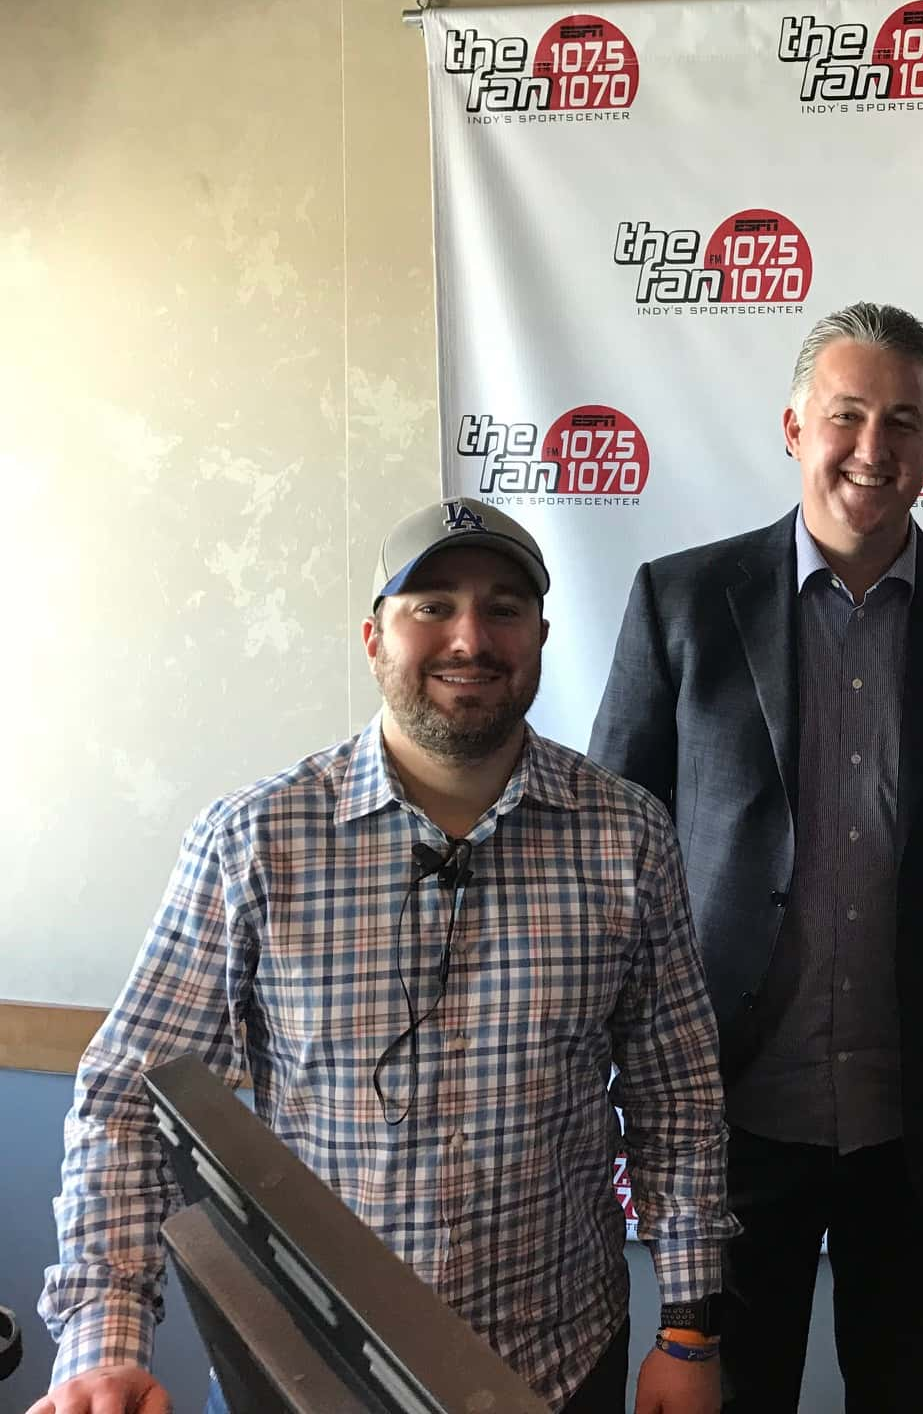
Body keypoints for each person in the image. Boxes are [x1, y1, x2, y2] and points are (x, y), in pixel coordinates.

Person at [36, 498, 733, 1414]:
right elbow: (130, 1099)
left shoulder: (628, 836)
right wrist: (103, 1339)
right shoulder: (256, 839)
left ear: (542, 635)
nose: (469, 638)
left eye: (503, 609)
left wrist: (687, 1327)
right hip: (308, 1367)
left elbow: (674, 1096)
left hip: (556, 1364)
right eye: (432, 606)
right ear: (374, 637)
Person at [589, 301, 923, 1414]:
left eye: (904, 421)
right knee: (737, 1392)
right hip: (725, 1101)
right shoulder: (682, 601)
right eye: (847, 415)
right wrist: (602, 1056)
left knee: (905, 1391)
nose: (874, 447)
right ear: (792, 427)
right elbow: (608, 849)